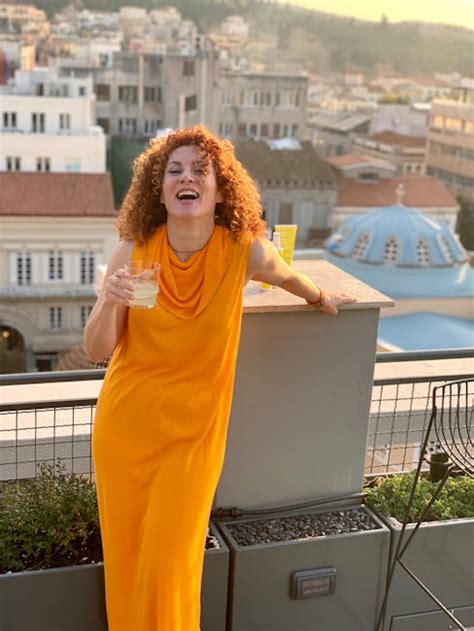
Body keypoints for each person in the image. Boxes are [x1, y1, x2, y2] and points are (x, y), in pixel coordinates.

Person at [84, 125, 356, 631]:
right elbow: (99, 348)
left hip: (193, 436)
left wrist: (320, 298)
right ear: (159, 187)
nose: (186, 178)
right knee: (128, 555)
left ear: (219, 187)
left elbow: (286, 275)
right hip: (128, 427)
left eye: (199, 170)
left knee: (171, 558)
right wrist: (109, 300)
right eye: (174, 171)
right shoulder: (136, 252)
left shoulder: (240, 252)